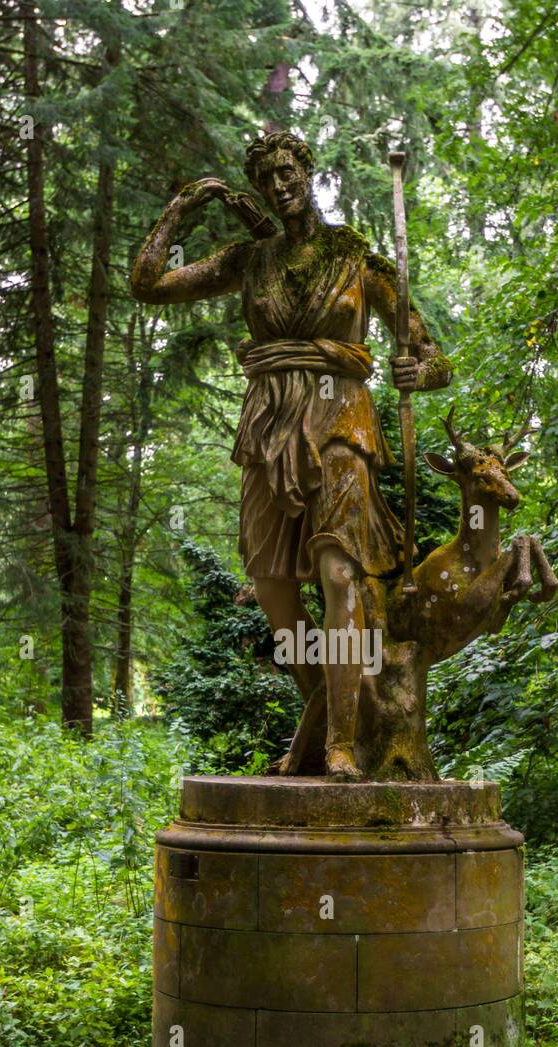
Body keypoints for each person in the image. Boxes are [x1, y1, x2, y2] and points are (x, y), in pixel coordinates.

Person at [131, 131, 452, 780]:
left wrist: (423, 372)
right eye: (267, 177)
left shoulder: (357, 257)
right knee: (275, 589)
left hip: (341, 421)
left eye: (288, 171)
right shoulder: (249, 260)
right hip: (269, 428)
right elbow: (149, 284)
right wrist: (181, 209)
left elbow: (430, 355)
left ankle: (339, 745)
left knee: (339, 578)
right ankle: (322, 718)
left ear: (307, 171)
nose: (280, 185)